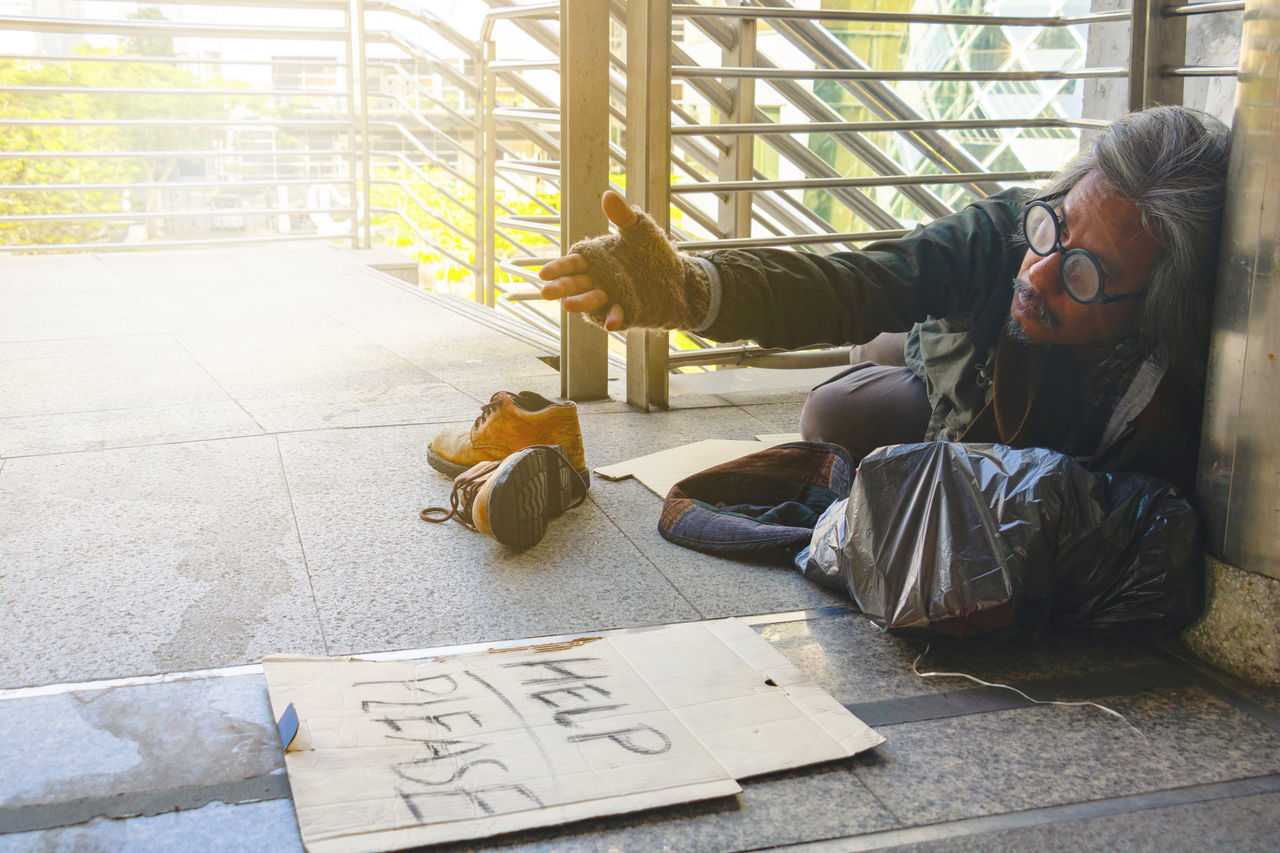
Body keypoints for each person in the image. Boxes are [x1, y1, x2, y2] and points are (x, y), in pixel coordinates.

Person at [538, 106, 1230, 495]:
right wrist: (689, 289)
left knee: (865, 399)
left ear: (1153, 306)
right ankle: (892, 341)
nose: (1041, 274)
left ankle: (894, 342)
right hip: (960, 345)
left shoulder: (1169, 380)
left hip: (993, 366)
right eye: (1054, 227)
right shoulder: (1002, 234)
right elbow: (856, 281)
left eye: (1085, 275)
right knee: (842, 400)